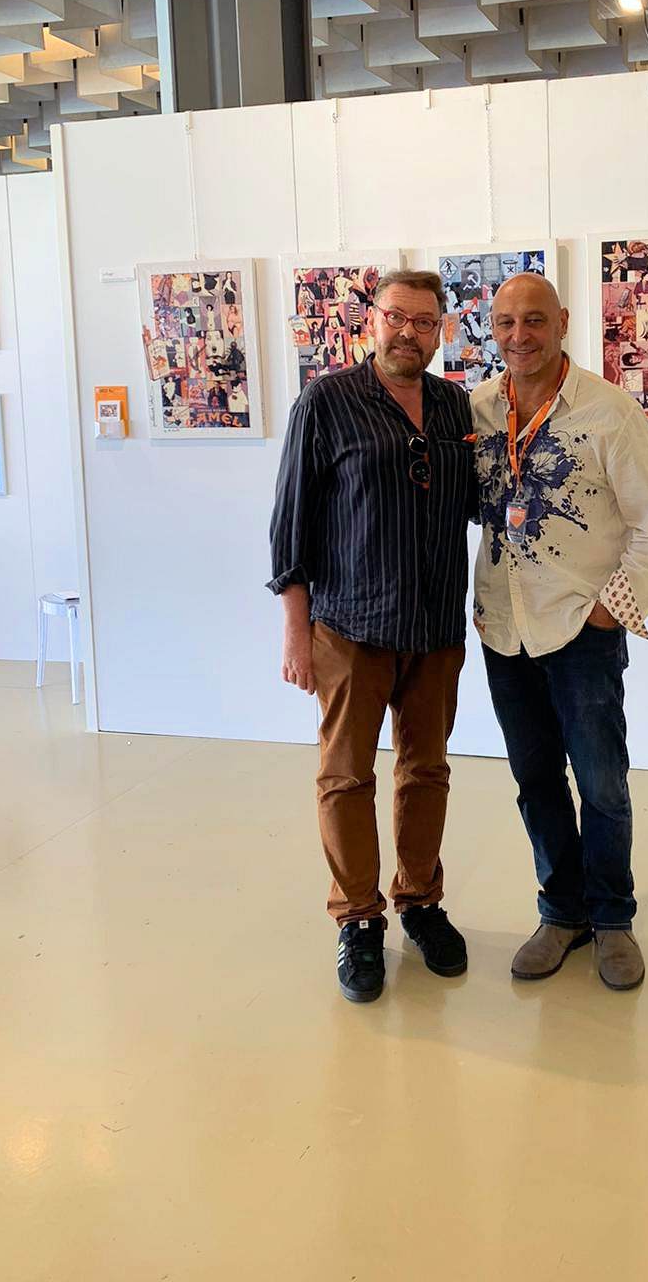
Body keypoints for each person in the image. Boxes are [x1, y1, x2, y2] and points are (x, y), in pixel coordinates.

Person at [269, 270, 477, 1005]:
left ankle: (420, 901)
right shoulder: (325, 402)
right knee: (345, 777)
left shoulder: (455, 406)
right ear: (372, 321)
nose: (408, 333)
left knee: (427, 772)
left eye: (424, 322)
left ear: (440, 331)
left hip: (435, 629)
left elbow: (484, 502)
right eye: (396, 317)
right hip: (350, 628)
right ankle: (358, 918)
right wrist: (297, 634)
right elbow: (290, 524)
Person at [471, 274, 648, 992]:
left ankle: (613, 917)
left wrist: (609, 610)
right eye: (506, 323)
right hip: (504, 631)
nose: (519, 336)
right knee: (535, 781)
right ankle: (561, 912)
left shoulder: (610, 412)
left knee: (601, 784)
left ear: (562, 322)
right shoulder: (479, 409)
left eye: (534, 320)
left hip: (580, 631)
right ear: (492, 328)